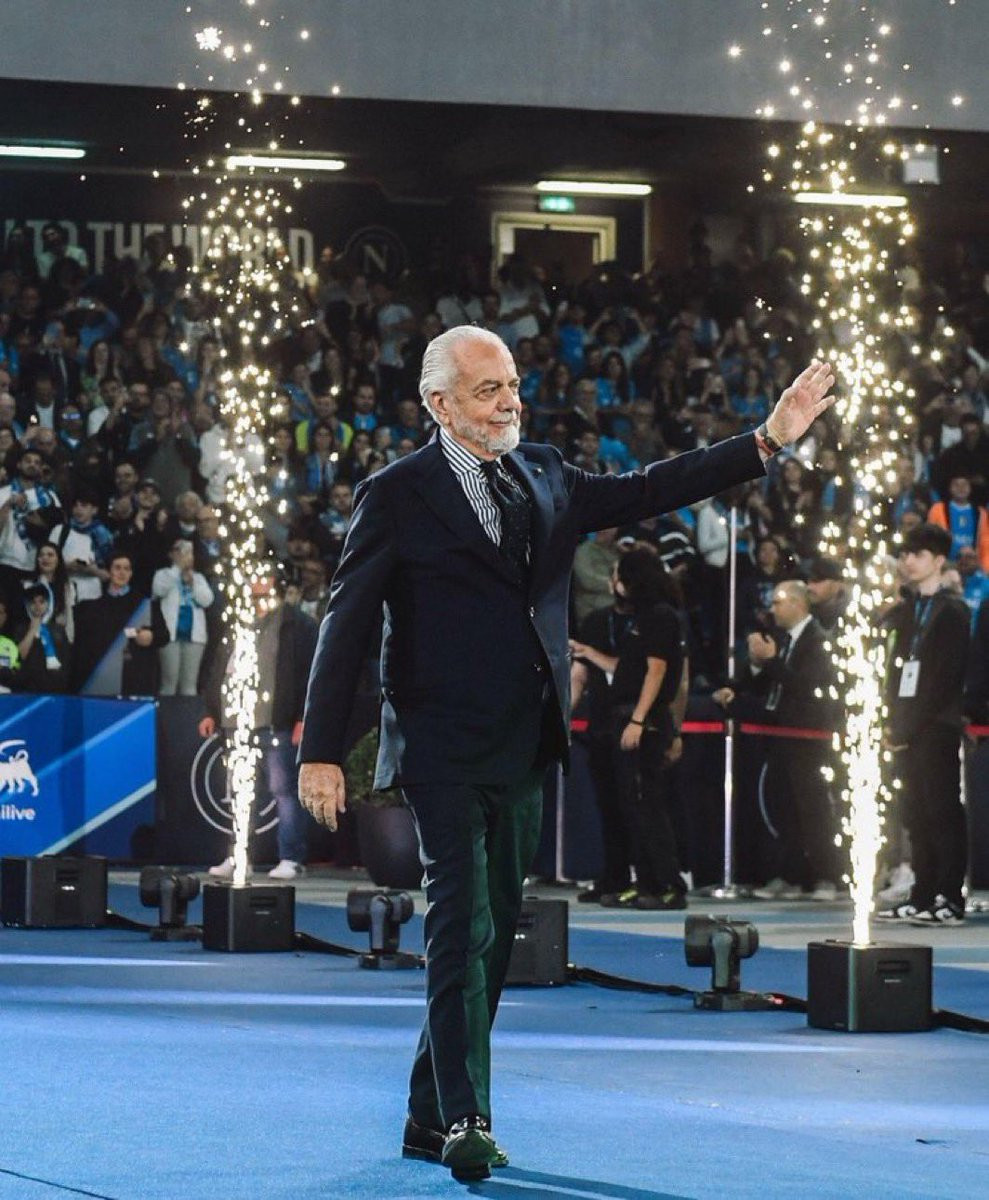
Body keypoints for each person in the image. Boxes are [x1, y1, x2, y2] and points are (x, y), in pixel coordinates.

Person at [296, 325, 834, 1181]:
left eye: (512, 384)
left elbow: (650, 487)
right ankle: (467, 1117)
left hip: (524, 743)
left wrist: (764, 440)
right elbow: (346, 621)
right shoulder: (395, 493)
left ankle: (427, 1114)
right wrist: (320, 750)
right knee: (460, 925)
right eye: (487, 390)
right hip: (439, 745)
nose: (508, 402)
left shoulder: (544, 471)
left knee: (489, 940)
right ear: (439, 404)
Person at [571, 549, 688, 910]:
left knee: (645, 804)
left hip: (642, 719)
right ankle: (644, 880)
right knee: (629, 805)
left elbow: (657, 671)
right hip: (623, 717)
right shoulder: (644, 617)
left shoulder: (660, 616)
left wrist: (639, 718)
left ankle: (668, 884)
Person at [714, 579, 840, 900]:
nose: (772, 609)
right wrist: (750, 673)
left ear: (797, 603)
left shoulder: (819, 641)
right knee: (784, 808)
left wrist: (771, 662)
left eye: (778, 602)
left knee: (813, 808)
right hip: (780, 733)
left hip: (808, 737)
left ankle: (825, 876)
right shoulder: (782, 640)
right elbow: (768, 682)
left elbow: (807, 687)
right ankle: (791, 874)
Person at [877, 523, 970, 926]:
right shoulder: (907, 610)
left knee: (941, 810)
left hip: (937, 724)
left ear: (938, 559)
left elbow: (944, 678)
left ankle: (950, 896)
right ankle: (923, 892)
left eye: (917, 554)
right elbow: (896, 670)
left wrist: (907, 726)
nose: (908, 561)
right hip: (908, 723)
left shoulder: (952, 611)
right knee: (914, 812)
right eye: (904, 555)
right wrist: (893, 721)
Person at [204, 580, 318, 881]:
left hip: (277, 722)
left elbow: (310, 673)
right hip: (237, 724)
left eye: (263, 595)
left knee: (284, 791)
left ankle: (291, 858)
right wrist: (212, 710)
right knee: (242, 793)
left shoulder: (297, 625)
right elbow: (220, 668)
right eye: (253, 596)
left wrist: (302, 717)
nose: (257, 602)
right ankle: (239, 856)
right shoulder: (238, 623)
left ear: (278, 595)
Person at [152, 539, 214, 695]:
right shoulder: (163, 574)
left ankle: (189, 711)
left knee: (189, 685)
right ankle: (165, 711)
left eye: (189, 552)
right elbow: (159, 590)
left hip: (194, 636)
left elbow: (207, 600)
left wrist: (193, 584)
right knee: (169, 683)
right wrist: (177, 569)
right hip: (169, 635)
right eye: (182, 551)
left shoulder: (198, 578)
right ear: (172, 554)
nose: (187, 556)